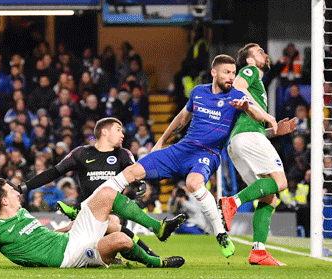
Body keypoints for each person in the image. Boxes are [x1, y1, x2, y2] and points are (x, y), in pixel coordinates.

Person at [96, 55, 277, 258]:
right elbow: (182, 118)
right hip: (182, 150)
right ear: (214, 73)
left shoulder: (236, 95)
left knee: (193, 183)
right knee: (130, 171)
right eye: (227, 72)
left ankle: (220, 234)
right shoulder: (198, 92)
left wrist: (247, 108)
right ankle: (89, 206)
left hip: (207, 154)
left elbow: (258, 115)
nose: (231, 77)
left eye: (234, 73)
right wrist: (161, 141)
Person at [0, 178, 185, 269]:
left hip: (70, 239)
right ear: (4, 200)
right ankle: (156, 262)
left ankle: (158, 227)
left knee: (108, 199)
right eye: (12, 191)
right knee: (121, 238)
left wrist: (71, 226)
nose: (18, 192)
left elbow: (43, 237)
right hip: (70, 256)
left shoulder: (23, 213)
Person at [19, 117, 160, 258]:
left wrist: (139, 183)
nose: (122, 135)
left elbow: (133, 171)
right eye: (118, 130)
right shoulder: (81, 153)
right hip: (87, 211)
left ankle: (150, 256)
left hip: (113, 212)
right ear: (104, 132)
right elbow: (53, 173)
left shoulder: (123, 154)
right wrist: (24, 187)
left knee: (111, 222)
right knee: (67, 233)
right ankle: (33, 246)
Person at [219, 44, 297, 266]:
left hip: (242, 140)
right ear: (250, 61)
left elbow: (254, 125)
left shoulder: (258, 87)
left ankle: (259, 251)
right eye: (259, 51)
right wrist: (266, 115)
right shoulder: (249, 72)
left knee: (269, 196)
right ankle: (232, 202)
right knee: (280, 182)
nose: (264, 53)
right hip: (248, 137)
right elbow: (237, 85)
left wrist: (274, 131)